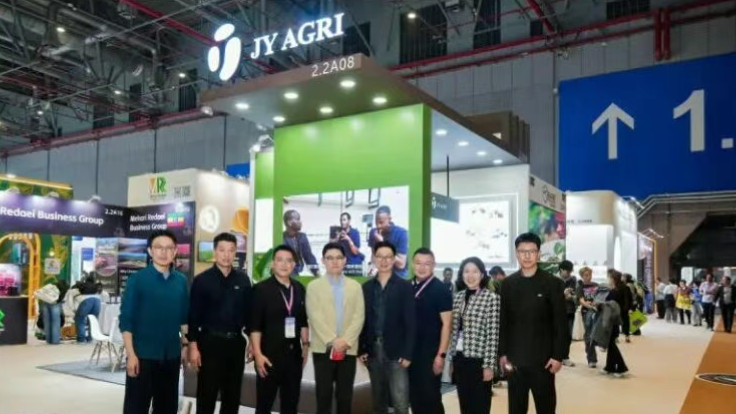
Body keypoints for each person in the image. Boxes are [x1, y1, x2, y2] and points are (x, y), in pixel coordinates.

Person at [120, 230, 189, 414]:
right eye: (159, 247)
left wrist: (185, 345)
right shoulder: (137, 280)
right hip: (142, 356)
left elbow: (184, 319)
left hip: (171, 357)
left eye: (169, 248)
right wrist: (131, 354)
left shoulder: (180, 281)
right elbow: (126, 320)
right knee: (136, 408)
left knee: (167, 408)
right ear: (150, 251)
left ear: (175, 251)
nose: (164, 252)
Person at [499, 233, 567, 414]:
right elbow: (503, 321)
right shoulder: (507, 284)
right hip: (515, 361)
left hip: (544, 361)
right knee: (516, 409)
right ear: (516, 254)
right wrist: (502, 353)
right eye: (522, 251)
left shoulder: (552, 283)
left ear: (538, 254)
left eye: (531, 251)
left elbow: (560, 323)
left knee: (546, 408)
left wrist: (558, 356)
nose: (527, 256)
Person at [188, 233, 253, 414]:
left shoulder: (243, 280)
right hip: (209, 344)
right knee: (206, 396)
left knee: (232, 397)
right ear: (215, 251)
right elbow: (193, 316)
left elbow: (249, 313)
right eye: (222, 250)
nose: (226, 255)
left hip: (235, 344)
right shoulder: (202, 280)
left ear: (235, 253)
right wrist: (193, 346)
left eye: (231, 250)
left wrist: (251, 342)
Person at [306, 243, 365, 414]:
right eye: (330, 258)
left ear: (345, 260)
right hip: (323, 349)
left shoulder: (355, 286)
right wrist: (333, 341)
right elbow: (314, 317)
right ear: (323, 261)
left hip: (348, 349)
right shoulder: (313, 286)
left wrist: (345, 341)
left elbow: (359, 317)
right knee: (323, 396)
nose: (335, 261)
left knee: (345, 397)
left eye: (339, 258)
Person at [251, 245, 309, 414]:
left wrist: (306, 346)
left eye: (289, 260)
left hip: (293, 357)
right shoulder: (261, 289)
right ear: (273, 264)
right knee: (264, 406)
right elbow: (255, 326)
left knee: (291, 405)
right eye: (280, 260)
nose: (284, 264)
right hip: (268, 357)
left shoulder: (299, 288)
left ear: (294, 265)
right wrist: (258, 354)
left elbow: (303, 321)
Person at [359, 241, 415, 414]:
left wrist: (408, 353)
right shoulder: (366, 287)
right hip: (373, 351)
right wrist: (361, 349)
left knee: (400, 402)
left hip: (397, 353)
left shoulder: (405, 287)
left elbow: (411, 322)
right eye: (380, 257)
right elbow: (362, 320)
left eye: (388, 257)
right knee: (378, 402)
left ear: (394, 259)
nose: (384, 261)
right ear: (374, 259)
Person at [449, 257, 500, 414]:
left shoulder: (491, 298)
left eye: (475, 271)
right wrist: (452, 359)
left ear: (482, 275)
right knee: (465, 405)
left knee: (480, 406)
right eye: (466, 271)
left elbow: (493, 335)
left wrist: (489, 366)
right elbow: (454, 331)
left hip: (479, 361)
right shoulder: (457, 297)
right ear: (462, 274)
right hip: (460, 358)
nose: (470, 275)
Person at [409, 248, 453, 414]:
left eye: (427, 264)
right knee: (415, 398)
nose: (422, 267)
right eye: (418, 263)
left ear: (434, 265)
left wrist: (441, 355)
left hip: (430, 355)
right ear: (412, 264)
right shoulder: (406, 287)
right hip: (409, 355)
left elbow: (447, 325)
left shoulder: (441, 290)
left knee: (431, 399)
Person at [368, 206, 409, 278]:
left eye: (381, 222)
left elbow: (401, 264)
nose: (378, 226)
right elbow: (374, 255)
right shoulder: (373, 232)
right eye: (376, 222)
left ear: (389, 219)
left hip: (398, 274)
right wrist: (372, 266)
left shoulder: (401, 233)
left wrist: (383, 243)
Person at [603, 270, 629, 378]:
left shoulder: (615, 291)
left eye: (609, 277)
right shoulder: (618, 289)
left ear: (613, 279)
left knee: (611, 344)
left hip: (612, 320)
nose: (608, 280)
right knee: (611, 343)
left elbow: (610, 306)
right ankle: (610, 366)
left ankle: (621, 367)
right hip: (615, 319)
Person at [282, 210, 319, 276]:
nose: (300, 222)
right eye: (297, 219)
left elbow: (308, 256)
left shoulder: (302, 236)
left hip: (298, 271)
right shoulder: (282, 238)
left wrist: (317, 272)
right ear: (289, 222)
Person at [576, 267, 598, 368]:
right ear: (582, 276)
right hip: (586, 312)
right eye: (586, 275)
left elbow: (600, 297)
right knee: (589, 335)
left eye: (590, 274)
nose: (589, 277)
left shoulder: (596, 285)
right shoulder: (580, 287)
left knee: (596, 333)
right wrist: (588, 306)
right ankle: (591, 358)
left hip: (597, 311)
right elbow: (581, 300)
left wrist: (596, 304)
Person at [71, 275, 102, 343]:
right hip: (97, 300)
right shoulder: (95, 286)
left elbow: (74, 288)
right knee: (92, 320)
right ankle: (90, 338)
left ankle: (81, 339)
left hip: (86, 300)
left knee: (80, 319)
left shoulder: (83, 284)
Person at [558, 260, 577, 367]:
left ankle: (565, 357)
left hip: (570, 310)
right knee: (558, 335)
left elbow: (577, 295)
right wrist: (563, 294)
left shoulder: (573, 280)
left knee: (568, 335)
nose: (569, 273)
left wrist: (572, 296)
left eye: (570, 271)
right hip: (558, 311)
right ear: (561, 269)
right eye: (567, 271)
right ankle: (557, 356)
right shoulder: (554, 280)